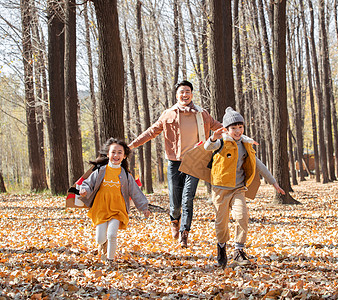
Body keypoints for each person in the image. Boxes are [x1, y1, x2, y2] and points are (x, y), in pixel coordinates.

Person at [128, 80, 222, 247]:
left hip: (195, 162)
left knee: (188, 199)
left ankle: (184, 233)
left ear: (192, 94)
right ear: (177, 95)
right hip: (174, 162)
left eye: (187, 91)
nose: (184, 95)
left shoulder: (202, 114)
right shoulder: (168, 114)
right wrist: (132, 145)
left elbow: (220, 128)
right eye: (181, 92)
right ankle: (174, 221)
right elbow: (152, 131)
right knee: (175, 201)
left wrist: (240, 137)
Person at [204, 107, 285, 268]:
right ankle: (221, 247)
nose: (237, 131)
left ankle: (239, 251)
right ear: (227, 129)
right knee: (221, 223)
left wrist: (274, 182)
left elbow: (258, 165)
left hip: (238, 189)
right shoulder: (222, 142)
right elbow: (208, 147)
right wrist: (213, 138)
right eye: (234, 128)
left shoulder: (246, 144)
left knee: (242, 216)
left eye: (240, 127)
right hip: (220, 189)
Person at [79, 138, 151, 267]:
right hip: (101, 208)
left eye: (119, 152)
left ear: (124, 156)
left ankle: (110, 261)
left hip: (118, 209)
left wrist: (144, 207)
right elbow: (88, 184)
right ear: (108, 154)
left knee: (112, 234)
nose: (116, 155)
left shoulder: (126, 175)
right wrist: (84, 190)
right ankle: (103, 244)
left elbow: (135, 192)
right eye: (113, 152)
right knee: (100, 238)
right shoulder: (100, 171)